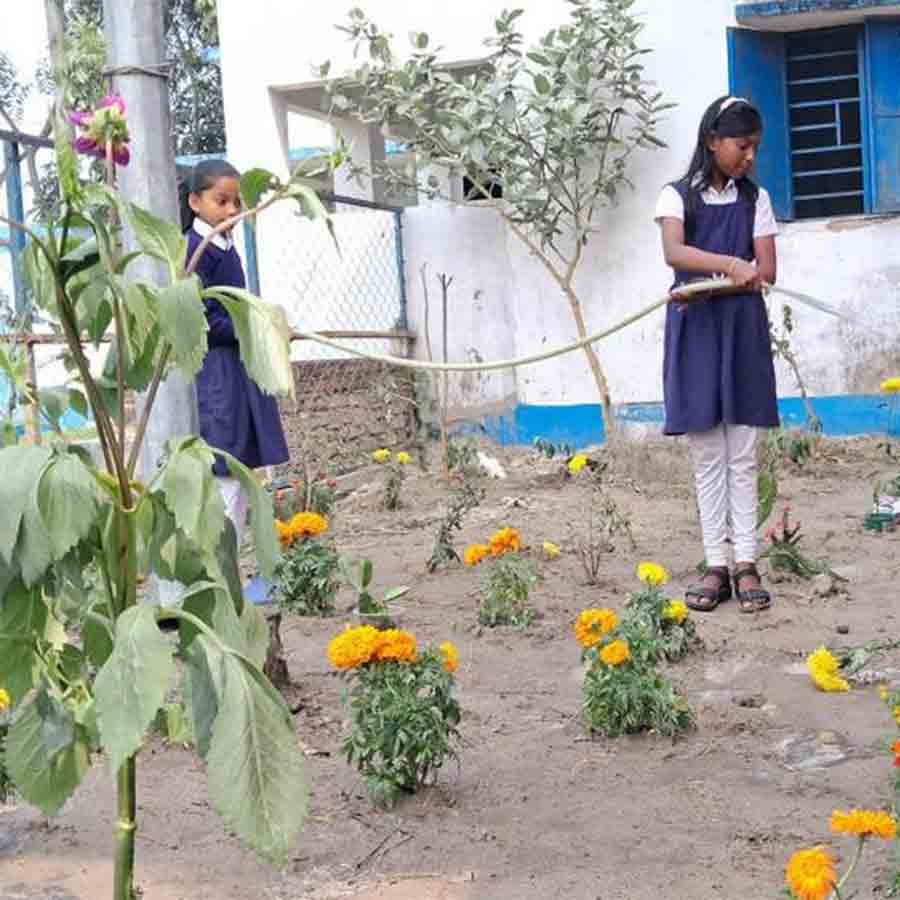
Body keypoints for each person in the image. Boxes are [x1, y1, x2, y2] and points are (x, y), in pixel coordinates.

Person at [654, 95, 779, 614]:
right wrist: (732, 266)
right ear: (712, 141)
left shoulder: (757, 200)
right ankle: (715, 565)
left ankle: (747, 561)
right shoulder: (675, 195)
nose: (748, 156)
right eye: (740, 145)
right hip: (697, 332)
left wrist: (717, 280)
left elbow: (766, 271)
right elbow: (674, 253)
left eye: (754, 147)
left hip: (742, 332)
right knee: (707, 453)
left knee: (743, 453)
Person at [180, 158, 290, 549]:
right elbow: (203, 323)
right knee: (225, 465)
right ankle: (218, 571)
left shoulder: (226, 249)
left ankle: (232, 573)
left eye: (236, 203)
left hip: (239, 368)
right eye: (221, 201)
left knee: (242, 468)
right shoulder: (193, 251)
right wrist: (258, 326)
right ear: (195, 202)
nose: (231, 211)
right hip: (216, 373)